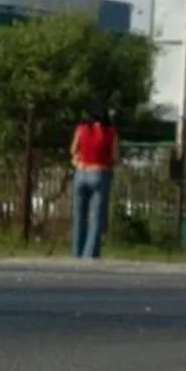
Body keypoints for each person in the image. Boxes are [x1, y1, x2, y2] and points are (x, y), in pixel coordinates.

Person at [69, 105, 119, 259]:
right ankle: (89, 254)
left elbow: (73, 150)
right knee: (96, 216)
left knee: (79, 215)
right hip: (99, 172)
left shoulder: (82, 129)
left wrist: (77, 161)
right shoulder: (110, 132)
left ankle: (77, 252)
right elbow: (115, 156)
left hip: (81, 172)